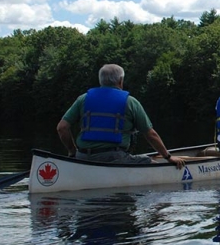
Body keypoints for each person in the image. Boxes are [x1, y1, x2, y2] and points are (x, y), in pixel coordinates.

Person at [57, 64, 185, 168]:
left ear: (101, 80)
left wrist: (72, 151)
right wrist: (168, 157)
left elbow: (62, 128)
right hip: (114, 158)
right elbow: (150, 134)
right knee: (149, 162)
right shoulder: (130, 102)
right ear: (120, 81)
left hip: (83, 157)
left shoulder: (83, 99)